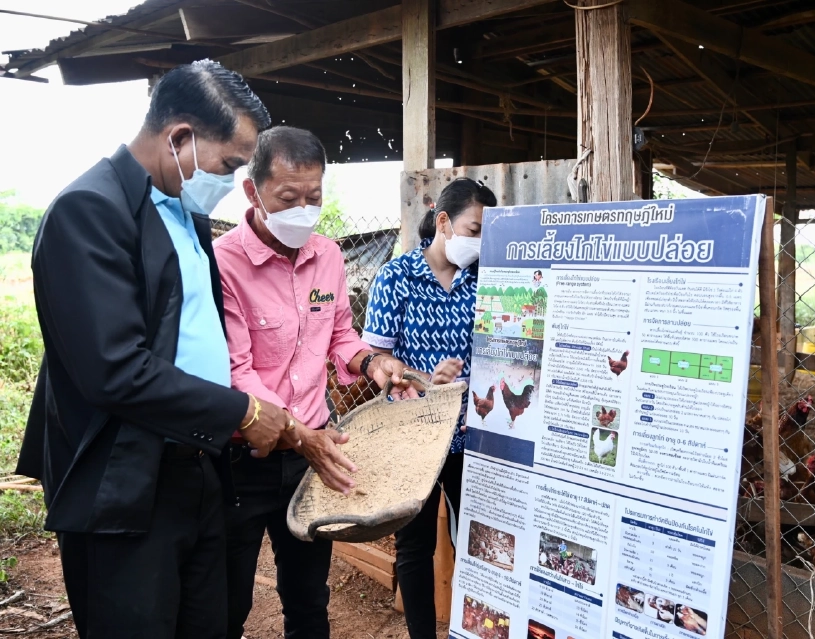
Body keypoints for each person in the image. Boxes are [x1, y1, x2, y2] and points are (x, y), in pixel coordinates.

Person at [15, 60, 304, 638]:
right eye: (228, 164)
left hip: (198, 469)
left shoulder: (183, 212)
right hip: (127, 487)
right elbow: (114, 369)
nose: (229, 181)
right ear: (180, 138)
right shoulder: (90, 210)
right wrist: (244, 412)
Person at [213, 126, 416, 639]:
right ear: (253, 192)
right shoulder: (223, 263)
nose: (303, 210)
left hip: (312, 456)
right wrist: (300, 435)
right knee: (226, 602)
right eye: (288, 198)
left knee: (308, 598)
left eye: (314, 197)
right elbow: (236, 370)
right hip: (244, 459)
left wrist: (373, 363)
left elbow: (341, 335)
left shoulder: (326, 255)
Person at [363, 178, 498, 638]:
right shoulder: (396, 277)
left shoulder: (485, 280)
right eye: (473, 230)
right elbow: (376, 360)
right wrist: (425, 382)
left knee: (478, 543)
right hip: (413, 438)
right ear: (444, 222)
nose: (478, 242)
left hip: (470, 437)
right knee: (415, 547)